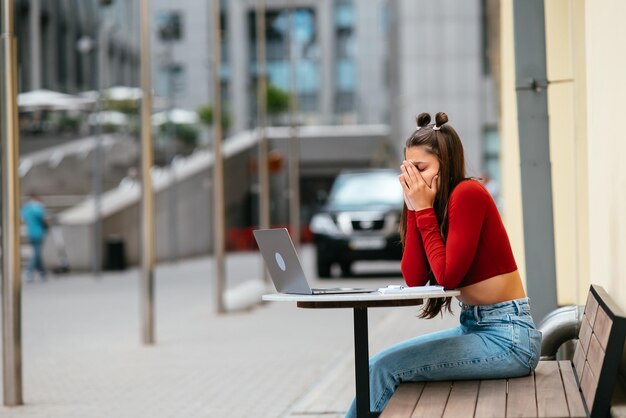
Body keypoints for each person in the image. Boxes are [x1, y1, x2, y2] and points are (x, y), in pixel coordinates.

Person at [344, 112, 541, 417]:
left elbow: (447, 278)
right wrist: (413, 208)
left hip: (508, 338)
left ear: (444, 165)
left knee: (383, 369)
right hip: (477, 329)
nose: (412, 178)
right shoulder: (438, 206)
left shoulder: (468, 194)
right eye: (408, 170)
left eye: (420, 168)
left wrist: (422, 209)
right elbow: (414, 279)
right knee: (376, 366)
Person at [21, 194, 49, 282]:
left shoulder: (26, 208)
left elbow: (22, 218)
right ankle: (29, 272)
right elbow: (44, 219)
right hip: (38, 233)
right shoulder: (38, 207)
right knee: (36, 254)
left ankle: (42, 272)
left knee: (37, 253)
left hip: (30, 232)